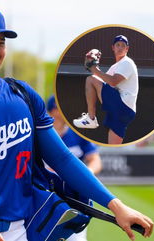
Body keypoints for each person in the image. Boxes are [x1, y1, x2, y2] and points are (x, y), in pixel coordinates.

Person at [0, 4, 153, 241]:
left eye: (0, 43)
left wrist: (116, 205)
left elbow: (63, 159)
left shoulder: (22, 97)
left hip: (15, 232)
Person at [47, 95, 102, 241]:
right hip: (46, 198)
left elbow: (95, 160)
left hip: (74, 199)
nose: (69, 111)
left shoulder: (78, 133)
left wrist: (84, 175)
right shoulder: (41, 134)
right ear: (53, 111)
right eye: (63, 108)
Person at [73, 35, 138, 144]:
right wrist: (91, 64)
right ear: (113, 47)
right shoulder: (115, 66)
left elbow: (112, 81)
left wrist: (93, 67)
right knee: (114, 145)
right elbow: (102, 82)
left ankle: (91, 118)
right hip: (123, 110)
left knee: (90, 80)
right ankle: (91, 119)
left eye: (123, 45)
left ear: (127, 49)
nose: (120, 47)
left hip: (122, 105)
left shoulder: (127, 62)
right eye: (118, 45)